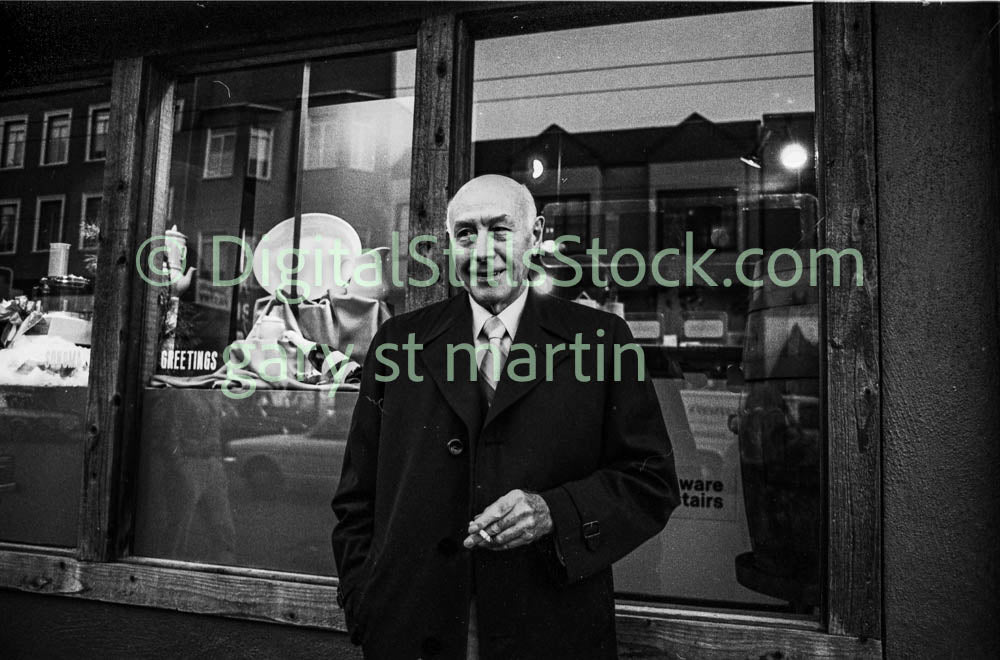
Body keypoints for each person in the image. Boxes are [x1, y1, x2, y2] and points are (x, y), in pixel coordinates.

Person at [332, 174, 679, 659]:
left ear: (534, 236)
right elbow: (356, 499)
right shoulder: (398, 342)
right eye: (466, 234)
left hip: (550, 629)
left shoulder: (601, 340)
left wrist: (552, 513)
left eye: (500, 230)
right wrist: (362, 602)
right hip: (408, 631)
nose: (482, 250)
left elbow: (652, 482)